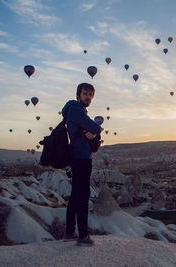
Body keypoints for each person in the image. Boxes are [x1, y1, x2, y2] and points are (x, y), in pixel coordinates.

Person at [61, 83, 102, 246]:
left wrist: (91, 130)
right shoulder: (76, 109)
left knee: (75, 196)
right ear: (78, 95)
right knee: (83, 197)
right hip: (81, 158)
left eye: (91, 94)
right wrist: (93, 130)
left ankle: (70, 232)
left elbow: (91, 128)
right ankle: (83, 235)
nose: (88, 97)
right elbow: (95, 127)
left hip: (77, 157)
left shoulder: (76, 110)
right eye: (85, 93)